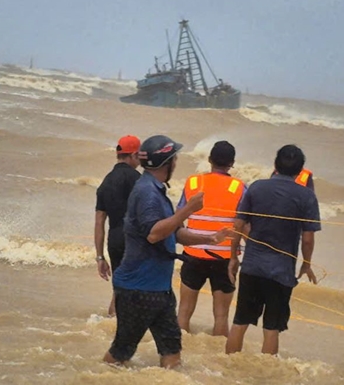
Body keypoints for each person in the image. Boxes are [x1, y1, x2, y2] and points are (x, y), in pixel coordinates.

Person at [103, 135, 231, 369]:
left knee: (172, 351)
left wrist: (209, 238)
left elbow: (174, 231)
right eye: (175, 159)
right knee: (120, 353)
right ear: (166, 162)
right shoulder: (147, 193)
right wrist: (188, 209)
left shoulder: (156, 190)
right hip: (138, 290)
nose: (176, 162)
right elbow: (154, 233)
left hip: (159, 289)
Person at [225, 144, 321, 356]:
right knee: (271, 329)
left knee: (239, 322)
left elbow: (238, 225)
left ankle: (226, 369)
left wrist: (233, 257)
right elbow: (307, 239)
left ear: (275, 165)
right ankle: (266, 371)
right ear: (300, 170)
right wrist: (306, 264)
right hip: (281, 272)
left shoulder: (256, 187)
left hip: (252, 267)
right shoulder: (306, 196)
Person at [177, 140, 245, 336]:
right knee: (222, 316)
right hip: (224, 258)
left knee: (184, 310)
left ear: (209, 159)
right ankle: (218, 352)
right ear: (232, 163)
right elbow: (243, 223)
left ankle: (176, 348)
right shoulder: (240, 187)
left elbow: (178, 216)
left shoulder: (193, 182)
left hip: (193, 253)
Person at [94, 135, 141, 317]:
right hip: (133, 240)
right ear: (134, 155)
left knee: (119, 291)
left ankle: (111, 322)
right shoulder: (138, 180)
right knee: (135, 291)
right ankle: (121, 327)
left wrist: (100, 257)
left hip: (114, 241)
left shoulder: (106, 182)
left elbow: (99, 222)